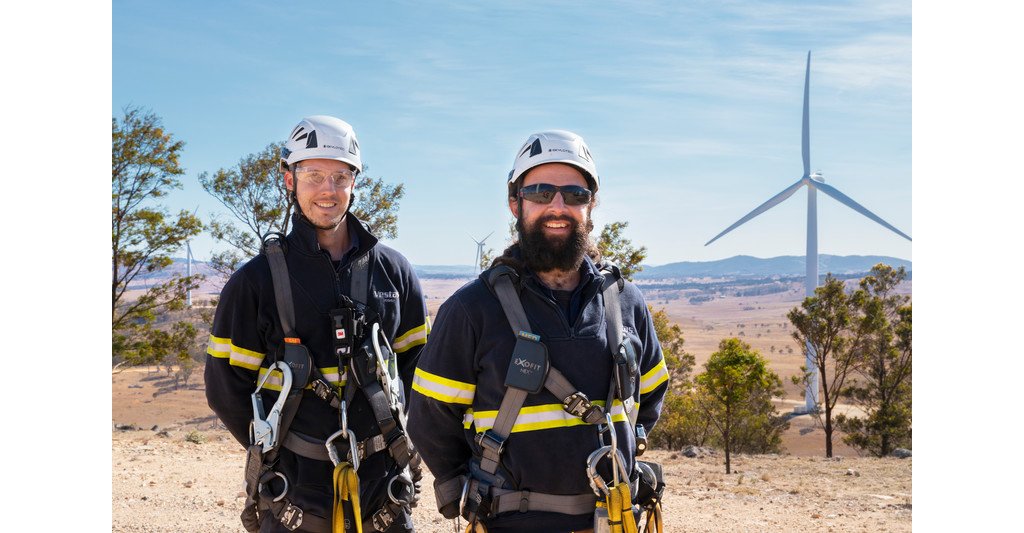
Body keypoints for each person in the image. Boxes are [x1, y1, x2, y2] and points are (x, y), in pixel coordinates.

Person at [407, 130, 669, 533]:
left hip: (614, 519)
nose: (558, 207)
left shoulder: (625, 302)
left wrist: (625, 451)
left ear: (591, 205)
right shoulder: (473, 309)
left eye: (575, 194)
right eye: (541, 193)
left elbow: (649, 397)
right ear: (515, 203)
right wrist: (475, 483)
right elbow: (430, 418)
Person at [205, 115, 429, 533]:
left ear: (354, 182)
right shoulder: (254, 283)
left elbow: (420, 369)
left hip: (383, 486)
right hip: (293, 487)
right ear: (289, 181)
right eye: (313, 175)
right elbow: (225, 388)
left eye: (340, 176)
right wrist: (274, 450)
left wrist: (393, 442)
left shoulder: (394, 273)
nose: (328, 189)